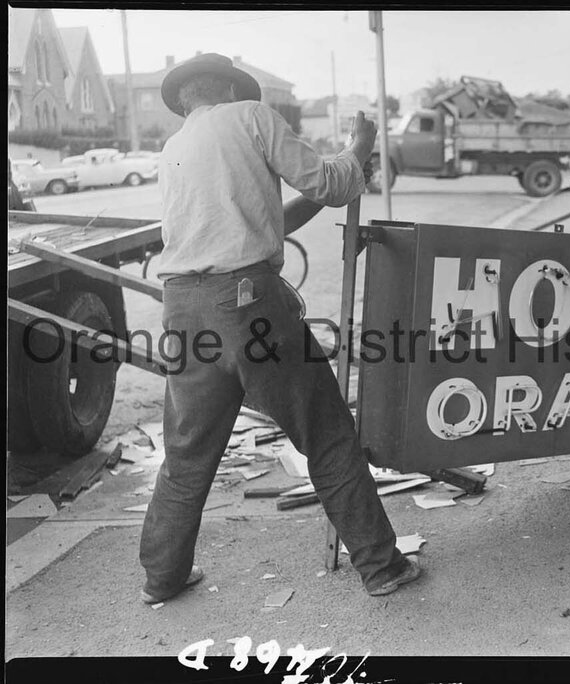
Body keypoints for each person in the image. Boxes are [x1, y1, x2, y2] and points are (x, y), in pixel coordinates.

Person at [139, 53, 421, 604]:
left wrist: (319, 197)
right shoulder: (250, 117)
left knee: (187, 453)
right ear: (225, 86)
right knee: (327, 431)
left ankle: (161, 580)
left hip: (183, 308)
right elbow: (332, 182)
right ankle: (382, 566)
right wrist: (359, 149)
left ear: (185, 97)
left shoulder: (174, 150)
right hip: (247, 305)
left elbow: (257, 222)